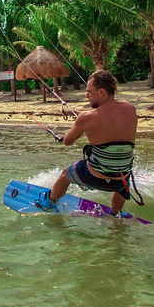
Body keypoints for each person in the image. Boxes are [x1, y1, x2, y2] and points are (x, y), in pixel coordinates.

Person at [41, 69, 138, 217]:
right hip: (121, 179)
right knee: (121, 171)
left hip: (96, 176)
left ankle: (49, 202)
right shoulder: (130, 109)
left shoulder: (87, 117)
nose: (87, 96)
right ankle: (115, 214)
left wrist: (65, 136)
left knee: (65, 175)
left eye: (89, 92)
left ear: (101, 92)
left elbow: (68, 141)